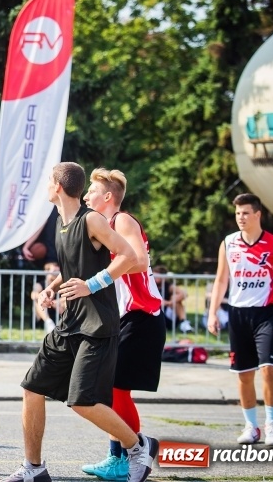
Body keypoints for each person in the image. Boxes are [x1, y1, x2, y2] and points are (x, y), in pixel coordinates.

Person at [3, 162, 159, 482]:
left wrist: (92, 285)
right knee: (32, 389)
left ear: (58, 186)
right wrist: (52, 288)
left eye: (49, 181)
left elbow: (129, 256)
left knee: (82, 402)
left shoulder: (93, 219)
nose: (47, 186)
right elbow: (73, 266)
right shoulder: (63, 223)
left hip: (97, 325)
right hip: (69, 324)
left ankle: (138, 446)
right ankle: (34, 467)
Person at [79, 168, 167, 481]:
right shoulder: (102, 229)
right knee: (109, 390)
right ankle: (121, 455)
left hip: (142, 317)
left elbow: (140, 260)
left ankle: (134, 451)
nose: (87, 195)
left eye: (91, 191)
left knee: (115, 390)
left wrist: (101, 277)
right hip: (124, 319)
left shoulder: (122, 220)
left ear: (107, 197)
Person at [207, 193, 273, 447]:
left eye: (246, 213)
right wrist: (213, 312)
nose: (241, 218)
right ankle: (251, 426)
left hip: (267, 313)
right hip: (239, 314)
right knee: (244, 374)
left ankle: (272, 424)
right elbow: (221, 280)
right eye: (238, 213)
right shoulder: (229, 243)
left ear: (257, 214)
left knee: (268, 368)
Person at [22, 208, 60, 333]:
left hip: (63, 257)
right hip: (52, 256)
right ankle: (48, 322)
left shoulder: (69, 210)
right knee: (39, 293)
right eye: (50, 271)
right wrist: (28, 245)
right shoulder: (49, 208)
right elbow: (40, 225)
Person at [153, 266, 193, 333]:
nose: (154, 277)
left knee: (175, 299)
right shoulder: (150, 285)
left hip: (166, 313)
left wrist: (168, 302)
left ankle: (183, 322)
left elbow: (184, 294)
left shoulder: (168, 286)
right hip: (154, 312)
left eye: (157, 276)